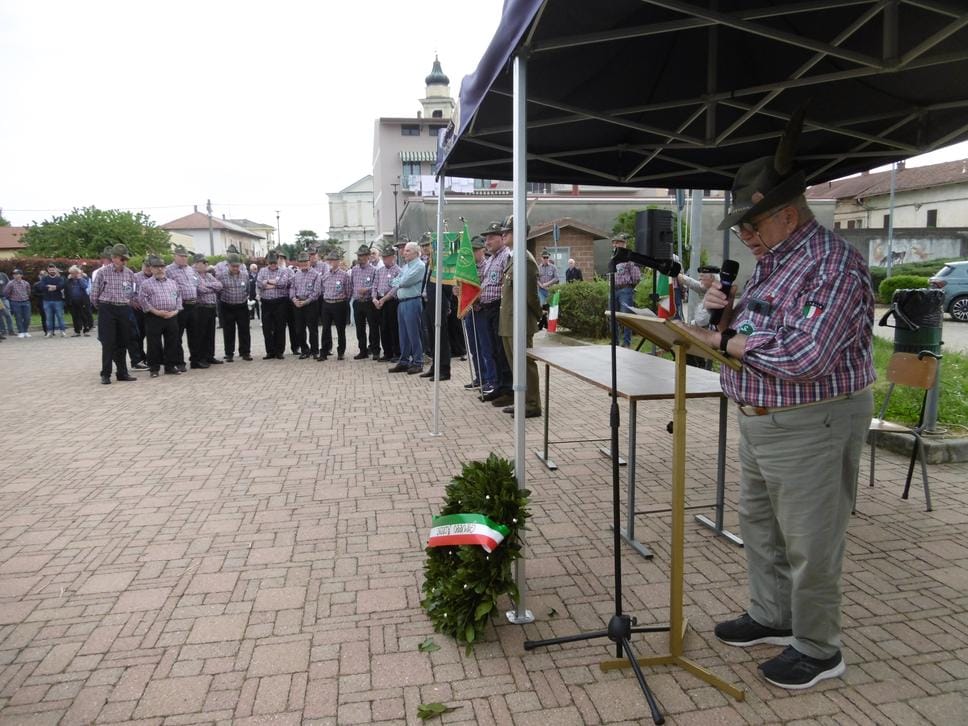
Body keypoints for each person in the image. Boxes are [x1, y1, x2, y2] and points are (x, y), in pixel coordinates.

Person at [691, 115, 876, 691]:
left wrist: (722, 339)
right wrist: (724, 313)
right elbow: (758, 334)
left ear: (788, 215)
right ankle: (773, 615)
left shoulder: (833, 264)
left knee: (810, 540)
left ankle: (819, 648)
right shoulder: (776, 262)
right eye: (742, 228)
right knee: (762, 529)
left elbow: (805, 354)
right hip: (763, 420)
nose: (745, 236)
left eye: (752, 225)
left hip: (812, 422)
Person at [497, 215, 542, 418]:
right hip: (509, 321)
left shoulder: (525, 260)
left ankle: (532, 404)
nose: (503, 235)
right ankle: (521, 400)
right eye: (503, 232)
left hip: (520, 322)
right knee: (516, 365)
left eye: (508, 231)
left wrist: (538, 315)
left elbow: (530, 295)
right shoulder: (513, 258)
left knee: (525, 364)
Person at [89, 244, 138, 384]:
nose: (124, 262)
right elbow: (94, 294)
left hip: (123, 308)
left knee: (123, 342)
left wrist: (127, 302)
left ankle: (122, 373)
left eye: (126, 259)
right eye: (122, 259)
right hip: (107, 308)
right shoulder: (103, 272)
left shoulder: (129, 273)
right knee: (108, 342)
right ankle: (106, 374)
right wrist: (101, 307)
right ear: (114, 258)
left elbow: (130, 293)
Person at [478, 221, 513, 403]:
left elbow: (506, 286)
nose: (487, 242)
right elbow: (486, 283)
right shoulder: (491, 259)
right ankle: (499, 386)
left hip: (500, 308)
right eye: (486, 239)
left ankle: (508, 390)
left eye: (491, 237)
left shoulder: (506, 256)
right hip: (488, 309)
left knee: (502, 350)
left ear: (501, 238)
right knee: (493, 350)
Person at [382, 241, 425, 374]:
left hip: (413, 301)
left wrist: (399, 281)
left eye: (407, 251)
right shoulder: (406, 267)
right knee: (403, 334)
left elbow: (404, 282)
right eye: (404, 250)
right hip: (402, 302)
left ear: (416, 253)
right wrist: (400, 281)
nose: (404, 253)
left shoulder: (420, 266)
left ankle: (418, 361)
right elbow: (393, 282)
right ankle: (404, 361)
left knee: (414, 333)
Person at [139, 255, 184, 377]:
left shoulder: (173, 283)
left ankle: (170, 366)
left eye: (162, 267)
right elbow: (143, 300)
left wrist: (175, 311)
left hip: (171, 316)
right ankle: (154, 368)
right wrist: (156, 312)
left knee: (172, 342)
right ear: (151, 269)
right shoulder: (146, 284)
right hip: (154, 317)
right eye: (156, 267)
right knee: (154, 343)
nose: (160, 269)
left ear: (165, 268)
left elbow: (179, 297)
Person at [166, 246, 199, 372]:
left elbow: (196, 284)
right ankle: (179, 362)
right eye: (181, 256)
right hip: (180, 306)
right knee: (177, 336)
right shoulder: (168, 270)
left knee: (194, 334)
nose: (184, 258)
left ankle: (195, 360)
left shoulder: (191, 269)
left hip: (193, 304)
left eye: (186, 256)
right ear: (175, 256)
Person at [217, 253, 253, 361]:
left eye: (237, 266)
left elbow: (248, 290)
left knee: (244, 330)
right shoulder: (221, 276)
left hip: (242, 306)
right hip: (227, 306)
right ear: (228, 265)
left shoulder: (245, 275)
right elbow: (218, 292)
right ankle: (229, 353)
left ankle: (245, 352)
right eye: (233, 266)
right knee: (228, 331)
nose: (236, 268)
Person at [257, 251, 292, 359]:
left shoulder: (283, 271)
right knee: (267, 328)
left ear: (277, 261)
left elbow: (283, 283)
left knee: (280, 327)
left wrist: (267, 282)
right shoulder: (262, 271)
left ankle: (279, 351)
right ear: (267, 262)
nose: (273, 265)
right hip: (266, 302)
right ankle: (270, 351)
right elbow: (259, 283)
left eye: (274, 263)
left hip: (280, 302)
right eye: (270, 263)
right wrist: (274, 282)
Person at [319, 249, 351, 361]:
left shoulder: (344, 275)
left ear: (338, 261)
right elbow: (322, 290)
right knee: (325, 329)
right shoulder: (325, 276)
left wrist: (342, 300)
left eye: (333, 260)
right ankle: (324, 352)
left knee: (340, 329)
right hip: (327, 304)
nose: (331, 262)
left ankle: (341, 352)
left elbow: (348, 291)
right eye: (330, 260)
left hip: (339, 304)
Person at [610, 233, 641, 347]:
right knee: (612, 316)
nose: (615, 244)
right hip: (613, 289)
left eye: (617, 242)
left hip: (625, 290)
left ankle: (626, 343)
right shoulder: (613, 257)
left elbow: (636, 276)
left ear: (624, 244)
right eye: (613, 242)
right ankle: (615, 342)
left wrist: (629, 287)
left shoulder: (629, 257)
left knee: (625, 317)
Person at [193, 253, 223, 367]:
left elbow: (219, 285)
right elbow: (199, 289)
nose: (206, 264)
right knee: (201, 334)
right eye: (204, 262)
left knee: (210, 334)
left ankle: (210, 356)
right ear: (196, 264)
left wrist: (207, 285)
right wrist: (212, 288)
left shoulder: (208, 275)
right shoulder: (193, 275)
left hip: (211, 307)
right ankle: (201, 358)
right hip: (201, 308)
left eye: (207, 262)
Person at [349, 244, 380, 359]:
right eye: (358, 255)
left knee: (373, 327)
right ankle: (363, 351)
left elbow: (376, 286)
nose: (359, 257)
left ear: (368, 256)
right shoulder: (354, 270)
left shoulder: (374, 270)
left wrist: (367, 289)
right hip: (357, 302)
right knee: (360, 328)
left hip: (369, 302)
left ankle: (375, 350)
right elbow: (351, 285)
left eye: (362, 255)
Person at [290, 251, 322, 359]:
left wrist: (306, 302)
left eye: (305, 261)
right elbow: (292, 288)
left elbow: (317, 292)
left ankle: (315, 351)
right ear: (298, 263)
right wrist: (294, 299)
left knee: (313, 329)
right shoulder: (296, 274)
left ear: (309, 261)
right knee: (299, 329)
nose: (303, 264)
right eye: (301, 262)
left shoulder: (316, 274)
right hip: (298, 304)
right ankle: (304, 350)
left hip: (311, 304)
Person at [372, 244, 401, 362]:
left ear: (393, 257)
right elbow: (374, 285)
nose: (384, 259)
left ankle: (396, 353)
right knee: (383, 328)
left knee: (393, 327)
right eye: (383, 257)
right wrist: (374, 298)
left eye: (387, 257)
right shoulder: (379, 271)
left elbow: (396, 288)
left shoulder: (398, 270)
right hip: (379, 300)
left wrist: (384, 299)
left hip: (391, 301)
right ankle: (387, 353)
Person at [35, 264, 67, 337]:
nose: (52, 271)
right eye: (50, 270)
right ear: (48, 270)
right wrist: (54, 287)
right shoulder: (44, 278)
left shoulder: (60, 278)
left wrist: (54, 287)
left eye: (53, 269)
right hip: (47, 300)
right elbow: (42, 286)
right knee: (49, 317)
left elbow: (62, 285)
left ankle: (62, 331)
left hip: (58, 300)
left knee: (60, 316)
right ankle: (50, 332)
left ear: (55, 269)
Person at [65, 265, 94, 336]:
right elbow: (66, 288)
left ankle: (86, 330)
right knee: (75, 316)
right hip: (73, 301)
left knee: (84, 316)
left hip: (82, 301)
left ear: (77, 273)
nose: (72, 274)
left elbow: (85, 286)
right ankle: (77, 331)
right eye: (71, 273)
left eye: (73, 273)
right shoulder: (69, 281)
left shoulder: (82, 279)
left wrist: (79, 279)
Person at [3, 269, 32, 337]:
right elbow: (6, 293)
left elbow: (29, 292)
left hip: (26, 302)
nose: (15, 275)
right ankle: (21, 331)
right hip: (15, 302)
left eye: (17, 274)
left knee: (27, 317)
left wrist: (26, 297)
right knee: (18, 317)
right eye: (14, 274)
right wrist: (11, 299)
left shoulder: (26, 283)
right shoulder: (10, 283)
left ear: (21, 275)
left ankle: (25, 331)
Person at [0, 269, 15, 338]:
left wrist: (8, 294)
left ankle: (11, 330)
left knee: (8, 314)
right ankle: (2, 331)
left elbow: (9, 285)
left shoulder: (3, 275)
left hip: (3, 298)